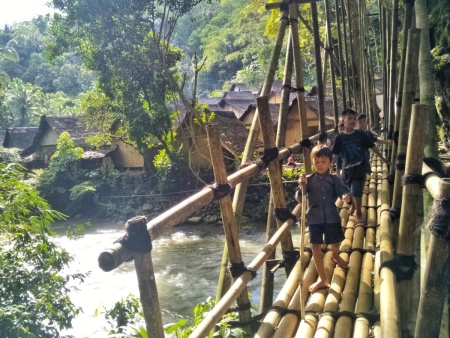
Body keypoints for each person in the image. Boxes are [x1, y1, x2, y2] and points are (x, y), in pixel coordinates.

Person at [297, 144, 351, 293]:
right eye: (317, 162)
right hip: (314, 217)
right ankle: (322, 278)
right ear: (312, 162)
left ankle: (335, 254)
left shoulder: (334, 179)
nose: (320, 165)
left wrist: (346, 197)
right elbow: (300, 199)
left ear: (330, 162)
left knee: (335, 240)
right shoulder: (308, 179)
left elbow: (343, 191)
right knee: (315, 246)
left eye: (324, 162)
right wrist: (301, 186)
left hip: (332, 215)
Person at [332, 108, 390, 225]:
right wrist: (330, 166)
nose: (352, 121)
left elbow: (372, 147)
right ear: (343, 120)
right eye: (350, 118)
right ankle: (353, 206)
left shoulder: (361, 135)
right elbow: (335, 155)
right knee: (350, 191)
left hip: (360, 167)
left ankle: (358, 212)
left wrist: (383, 158)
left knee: (357, 190)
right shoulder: (339, 138)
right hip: (347, 169)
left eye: (354, 119)